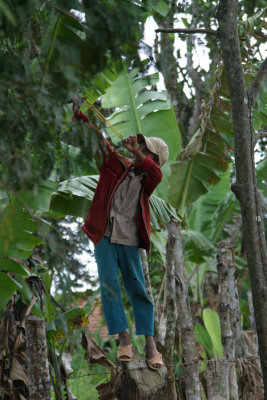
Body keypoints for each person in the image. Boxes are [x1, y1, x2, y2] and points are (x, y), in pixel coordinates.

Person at [73, 106, 168, 370]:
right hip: (104, 235)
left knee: (138, 288)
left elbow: (156, 174)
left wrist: (137, 153)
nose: (139, 150)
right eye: (140, 147)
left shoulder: (150, 179)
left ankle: (150, 343)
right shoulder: (116, 164)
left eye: (145, 150)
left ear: (153, 158)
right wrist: (81, 117)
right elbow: (97, 142)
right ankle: (123, 337)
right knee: (109, 285)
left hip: (128, 240)